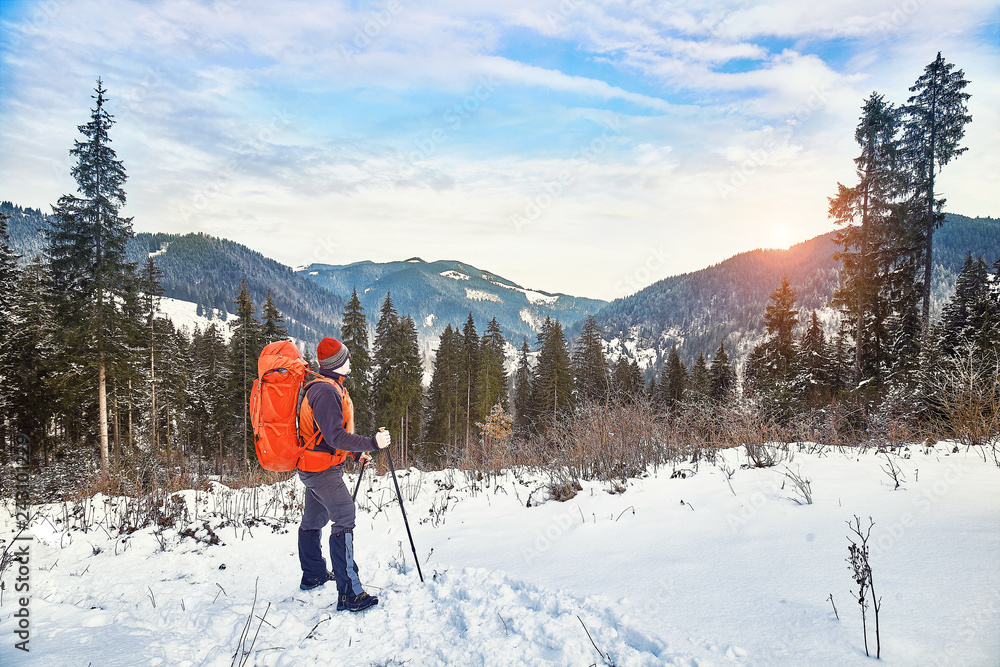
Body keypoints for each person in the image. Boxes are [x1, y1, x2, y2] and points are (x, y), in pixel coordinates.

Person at [296, 336, 390, 612]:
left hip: (312, 466)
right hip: (321, 470)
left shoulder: (324, 387)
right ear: (338, 365)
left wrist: (355, 452)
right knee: (344, 515)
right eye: (346, 358)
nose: (350, 362)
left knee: (315, 518)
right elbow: (335, 436)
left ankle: (313, 574)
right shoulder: (326, 393)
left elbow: (322, 436)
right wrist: (371, 443)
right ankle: (349, 593)